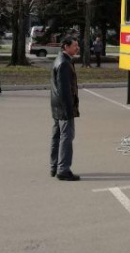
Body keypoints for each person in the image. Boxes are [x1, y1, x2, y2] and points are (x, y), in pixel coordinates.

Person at [50, 37, 81, 181]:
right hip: (64, 108)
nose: (77, 47)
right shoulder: (63, 63)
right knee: (66, 138)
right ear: (66, 46)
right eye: (75, 45)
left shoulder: (61, 59)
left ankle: (54, 166)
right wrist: (69, 111)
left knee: (57, 137)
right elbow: (64, 91)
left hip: (57, 107)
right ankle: (63, 170)